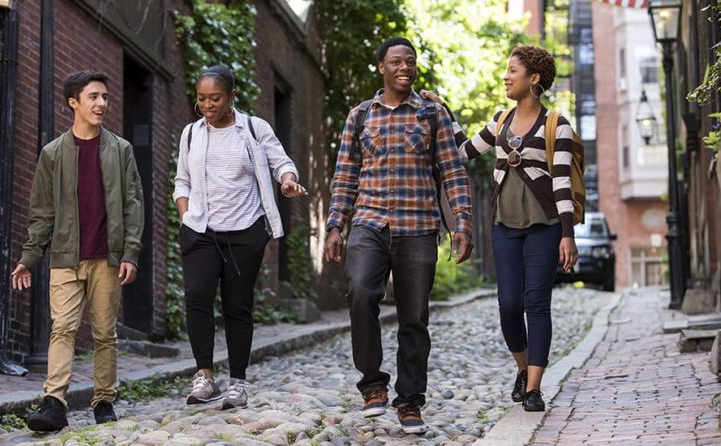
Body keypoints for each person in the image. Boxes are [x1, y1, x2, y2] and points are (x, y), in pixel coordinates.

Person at [324, 37, 473, 434]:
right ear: (381, 67)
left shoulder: (431, 114)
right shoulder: (360, 116)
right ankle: (373, 384)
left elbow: (453, 170)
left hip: (419, 226)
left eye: (410, 60)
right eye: (396, 61)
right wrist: (336, 224)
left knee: (414, 317)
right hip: (370, 223)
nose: (404, 66)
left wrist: (462, 221)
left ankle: (410, 402)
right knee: (360, 292)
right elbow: (345, 174)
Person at [423, 45, 579, 412]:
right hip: (503, 226)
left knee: (536, 303)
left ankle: (536, 389)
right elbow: (462, 151)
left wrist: (568, 234)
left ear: (534, 78)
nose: (506, 76)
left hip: (546, 227)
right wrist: (445, 111)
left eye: (513, 70)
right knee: (509, 305)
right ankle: (523, 370)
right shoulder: (501, 120)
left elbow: (561, 184)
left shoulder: (557, 125)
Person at [11, 71, 144, 431]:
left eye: (104, 97)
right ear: (74, 103)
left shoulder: (121, 150)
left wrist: (131, 252)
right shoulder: (53, 154)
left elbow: (133, 203)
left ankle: (104, 400)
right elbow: (41, 212)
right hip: (66, 257)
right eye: (93, 97)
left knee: (104, 333)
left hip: (108, 257)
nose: (102, 104)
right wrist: (29, 257)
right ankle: (54, 403)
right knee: (63, 329)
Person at [173, 65, 306, 410]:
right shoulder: (191, 133)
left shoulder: (253, 128)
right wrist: (186, 217)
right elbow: (182, 180)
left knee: (237, 306)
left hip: (245, 231)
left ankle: (237, 382)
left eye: (215, 98)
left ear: (232, 96)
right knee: (197, 297)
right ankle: (204, 375)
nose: (207, 105)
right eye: (201, 98)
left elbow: (281, 162)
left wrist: (288, 181)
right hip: (202, 231)